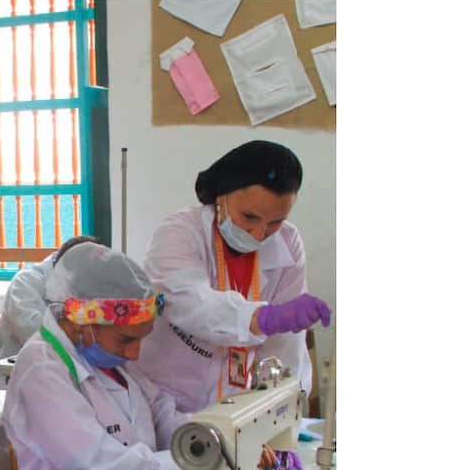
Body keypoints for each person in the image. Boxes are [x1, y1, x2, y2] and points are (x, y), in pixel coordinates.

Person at [2, 242, 191, 470]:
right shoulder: (42, 369)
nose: (135, 352)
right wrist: (182, 463)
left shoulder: (106, 358)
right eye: (126, 340)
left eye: (141, 338)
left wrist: (201, 440)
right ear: (80, 320)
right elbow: (93, 462)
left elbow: (160, 408)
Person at [138, 140, 331, 413]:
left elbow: (285, 348)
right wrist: (262, 318)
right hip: (166, 398)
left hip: (233, 406)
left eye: (275, 222)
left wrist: (283, 409)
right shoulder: (180, 232)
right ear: (222, 197)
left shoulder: (288, 242)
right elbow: (189, 304)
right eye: (249, 216)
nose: (260, 233)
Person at [0, 235, 100, 358]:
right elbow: (35, 334)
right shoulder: (25, 282)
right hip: (27, 364)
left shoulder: (88, 282)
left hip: (74, 362)